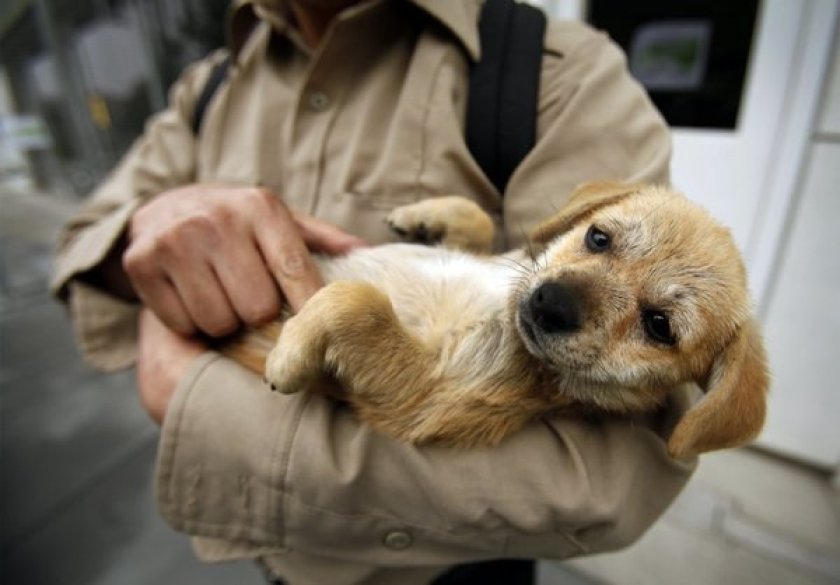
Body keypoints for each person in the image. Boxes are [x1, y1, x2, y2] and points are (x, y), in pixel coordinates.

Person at [52, 1, 697, 583]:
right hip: (263, 555)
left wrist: (199, 402)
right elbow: (84, 236)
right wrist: (147, 227)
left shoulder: (557, 74)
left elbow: (612, 477)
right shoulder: (210, 85)